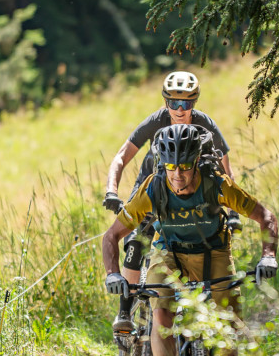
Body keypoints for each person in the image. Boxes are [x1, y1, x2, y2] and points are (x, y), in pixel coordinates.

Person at [102, 122, 278, 356]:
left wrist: (268, 256)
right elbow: (112, 235)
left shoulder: (217, 184)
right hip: (168, 253)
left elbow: (265, 216)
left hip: (214, 253)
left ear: (197, 161)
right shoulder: (154, 187)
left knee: (227, 327)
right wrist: (113, 274)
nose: (177, 175)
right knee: (162, 314)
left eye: (184, 167)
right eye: (170, 167)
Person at [102, 70, 241, 333]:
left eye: (186, 103)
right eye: (173, 103)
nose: (180, 109)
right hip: (152, 185)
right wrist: (112, 191)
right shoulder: (157, 120)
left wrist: (232, 212)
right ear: (165, 102)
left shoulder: (205, 123)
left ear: (195, 103)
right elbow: (121, 156)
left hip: (186, 190)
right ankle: (124, 312)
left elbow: (226, 171)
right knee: (136, 242)